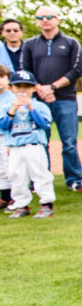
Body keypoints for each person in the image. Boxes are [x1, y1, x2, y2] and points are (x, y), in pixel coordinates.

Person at [22, 5, 82, 191]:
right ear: (36, 21)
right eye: (41, 17)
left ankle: (74, 179)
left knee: (69, 142)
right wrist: (40, 90)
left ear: (57, 19)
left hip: (65, 98)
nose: (45, 20)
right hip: (38, 101)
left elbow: (76, 70)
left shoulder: (71, 42)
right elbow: (25, 71)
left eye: (49, 16)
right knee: (41, 141)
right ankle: (41, 180)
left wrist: (52, 88)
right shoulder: (30, 45)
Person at [0, 70, 56, 218]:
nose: (22, 90)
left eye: (27, 86)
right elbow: (3, 126)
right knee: (16, 176)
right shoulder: (7, 106)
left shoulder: (40, 106)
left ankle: (46, 204)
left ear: (34, 88)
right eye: (18, 87)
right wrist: (12, 110)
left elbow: (44, 124)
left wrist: (31, 108)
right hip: (15, 148)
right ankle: (21, 205)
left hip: (34, 146)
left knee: (40, 175)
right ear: (12, 88)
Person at [0, 65, 11, 208]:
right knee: (0, 169)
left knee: (9, 168)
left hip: (7, 138)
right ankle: (4, 198)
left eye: (2, 77)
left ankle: (12, 197)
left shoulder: (11, 98)